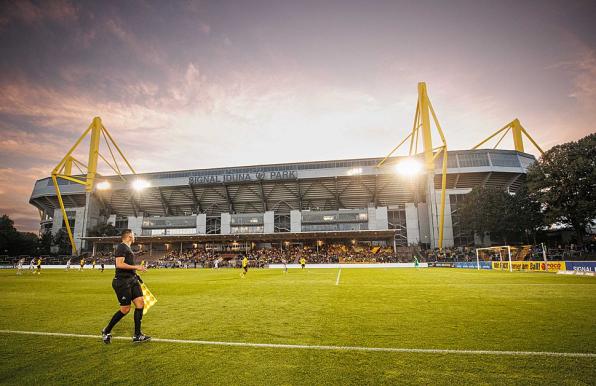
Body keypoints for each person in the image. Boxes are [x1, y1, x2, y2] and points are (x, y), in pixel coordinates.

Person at [101, 229, 150, 344]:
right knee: (125, 309)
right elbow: (119, 264)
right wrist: (136, 267)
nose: (134, 237)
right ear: (129, 237)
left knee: (140, 304)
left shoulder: (128, 248)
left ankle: (137, 335)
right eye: (133, 235)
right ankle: (106, 330)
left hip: (132, 280)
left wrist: (136, 274)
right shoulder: (121, 247)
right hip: (122, 282)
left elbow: (128, 265)